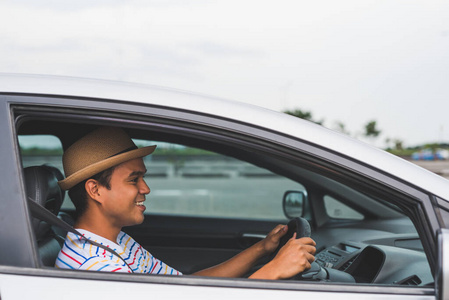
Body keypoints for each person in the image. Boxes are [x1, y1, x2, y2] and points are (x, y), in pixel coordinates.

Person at [55, 126, 316, 279]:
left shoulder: (116, 242)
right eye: (134, 180)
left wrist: (262, 250)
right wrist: (274, 272)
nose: (146, 188)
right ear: (95, 190)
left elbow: (186, 287)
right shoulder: (93, 266)